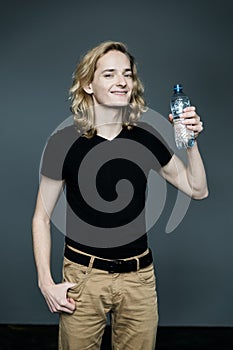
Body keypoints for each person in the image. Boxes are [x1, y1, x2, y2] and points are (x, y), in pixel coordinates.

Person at [32, 41, 208, 350]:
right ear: (88, 84)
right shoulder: (62, 143)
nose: (122, 81)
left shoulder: (146, 139)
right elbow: (40, 218)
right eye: (110, 74)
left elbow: (198, 190)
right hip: (83, 279)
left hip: (139, 280)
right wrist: (46, 283)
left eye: (127, 74)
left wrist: (191, 141)